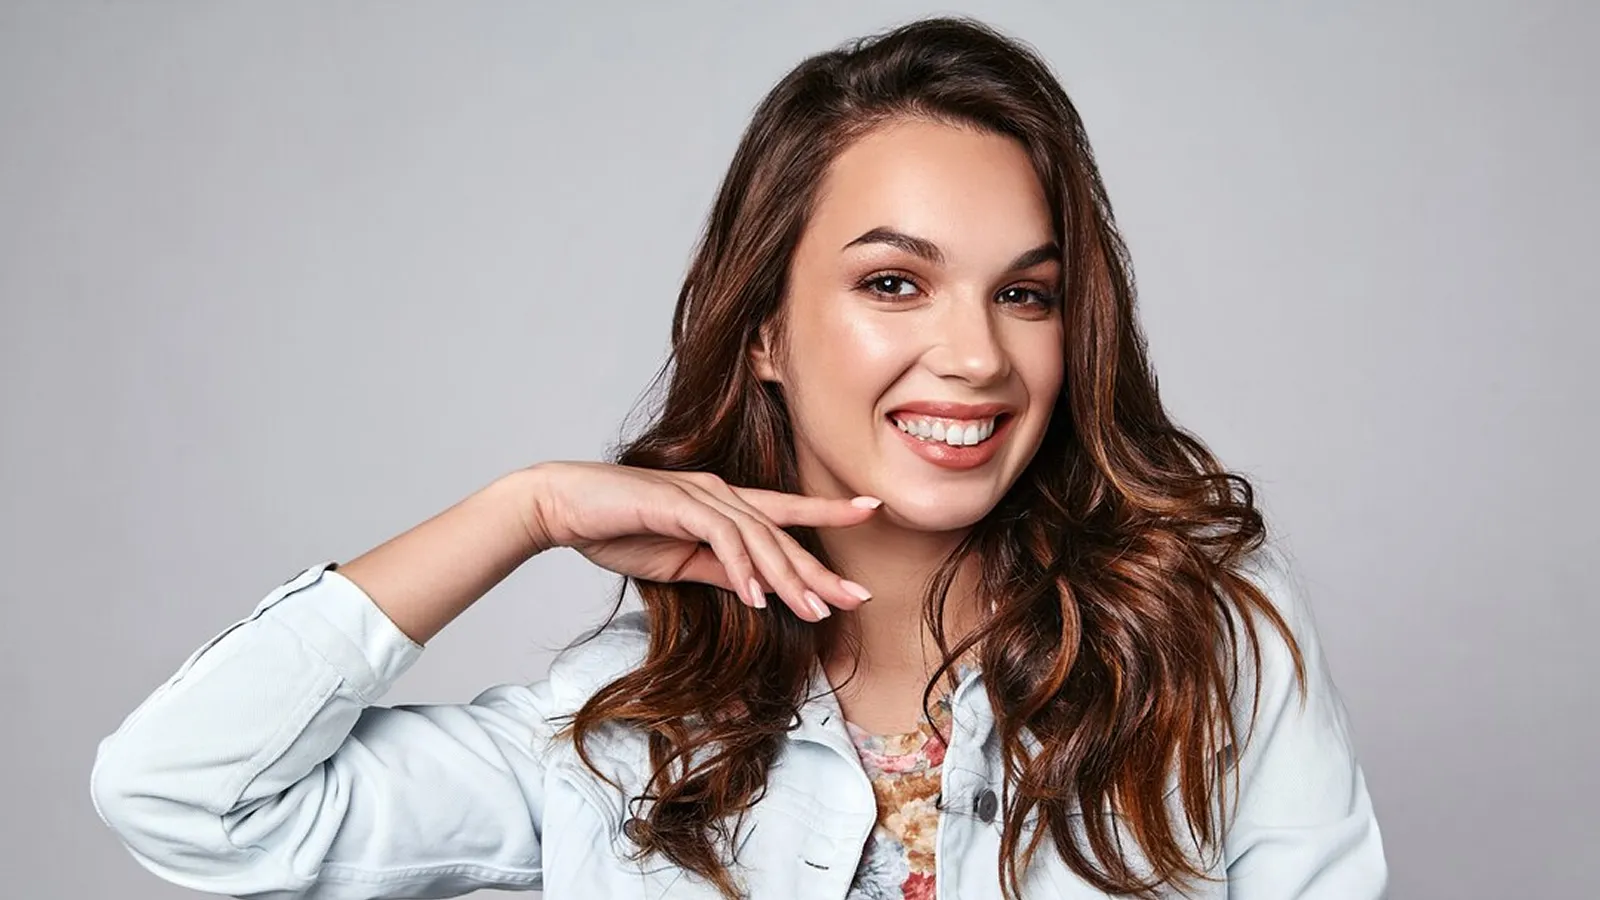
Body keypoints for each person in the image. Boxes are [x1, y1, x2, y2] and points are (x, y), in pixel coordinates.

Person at [88, 15, 1386, 900]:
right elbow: (188, 799)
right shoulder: (611, 735)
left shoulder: (1204, 632)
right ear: (763, 327)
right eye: (894, 282)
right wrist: (520, 510)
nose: (977, 357)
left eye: (1027, 295)